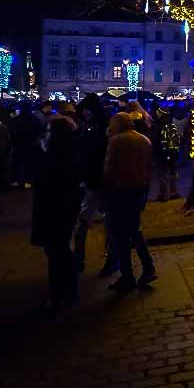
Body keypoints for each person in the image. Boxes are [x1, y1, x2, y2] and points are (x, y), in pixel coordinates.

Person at [31, 115, 82, 315]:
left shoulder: (59, 154)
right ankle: (67, 292)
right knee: (58, 251)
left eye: (51, 131)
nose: (47, 134)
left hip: (57, 209)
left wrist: (44, 154)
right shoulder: (68, 151)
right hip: (62, 208)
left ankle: (60, 294)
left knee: (57, 252)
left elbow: (49, 178)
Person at [103, 112, 157, 293]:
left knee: (121, 235)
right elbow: (150, 168)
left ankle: (128, 275)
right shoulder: (144, 140)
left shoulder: (116, 141)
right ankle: (147, 267)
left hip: (120, 192)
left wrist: (106, 192)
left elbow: (109, 169)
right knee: (135, 230)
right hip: (139, 190)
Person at [74, 94, 117, 277]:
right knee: (84, 221)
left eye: (88, 109)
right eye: (83, 109)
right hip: (91, 181)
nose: (85, 113)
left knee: (108, 221)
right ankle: (79, 258)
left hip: (103, 181)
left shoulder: (103, 130)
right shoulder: (87, 128)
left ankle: (110, 259)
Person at [154, 107, 182, 202]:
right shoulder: (172, 122)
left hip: (162, 152)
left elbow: (156, 140)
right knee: (173, 172)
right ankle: (173, 192)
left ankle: (164, 195)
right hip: (173, 152)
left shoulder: (159, 124)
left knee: (163, 173)